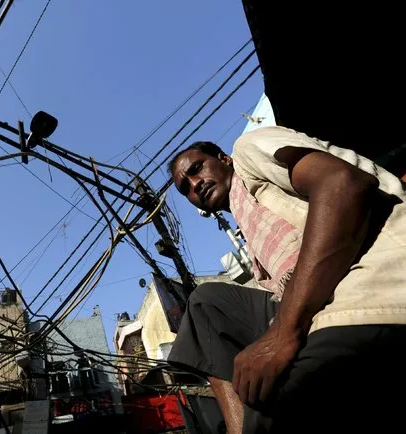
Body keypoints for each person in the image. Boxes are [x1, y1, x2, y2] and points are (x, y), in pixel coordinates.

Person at [165, 125, 406, 433]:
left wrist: (282, 332)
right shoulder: (252, 230)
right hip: (318, 304)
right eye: (186, 189)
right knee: (205, 304)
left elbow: (342, 184)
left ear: (224, 159)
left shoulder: (248, 151)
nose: (195, 186)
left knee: (277, 407)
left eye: (196, 170)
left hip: (373, 280)